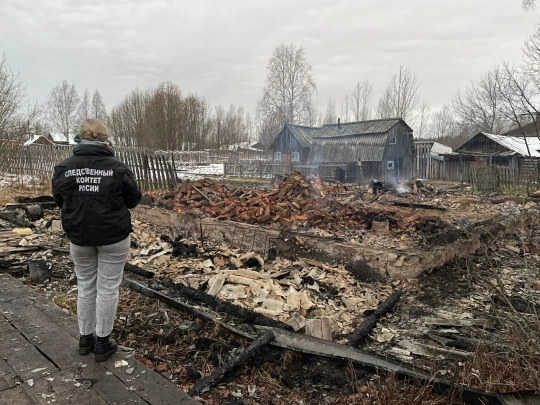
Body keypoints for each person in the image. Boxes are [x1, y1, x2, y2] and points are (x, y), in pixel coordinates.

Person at [52, 118, 142, 362]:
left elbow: (60, 201)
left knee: (85, 285)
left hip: (79, 237)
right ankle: (102, 342)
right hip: (113, 236)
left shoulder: (64, 168)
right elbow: (133, 200)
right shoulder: (118, 168)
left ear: (79, 139)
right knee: (108, 288)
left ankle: (84, 339)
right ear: (105, 139)